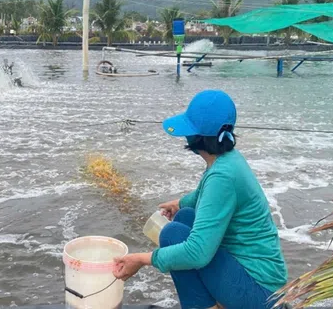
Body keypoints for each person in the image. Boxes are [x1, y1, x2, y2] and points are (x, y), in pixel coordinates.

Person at [113, 90, 288, 309]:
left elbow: (197, 253)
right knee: (186, 216)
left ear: (196, 137)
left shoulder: (222, 176)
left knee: (173, 234)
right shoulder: (227, 160)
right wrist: (180, 204)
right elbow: (204, 195)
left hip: (261, 295)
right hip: (262, 279)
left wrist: (139, 259)